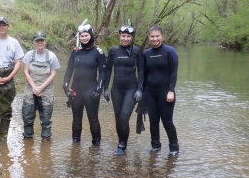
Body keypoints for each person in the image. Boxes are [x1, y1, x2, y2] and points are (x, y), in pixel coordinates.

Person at [104, 24, 144, 155]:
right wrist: (105, 88)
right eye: (123, 36)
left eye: (128, 36)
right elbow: (108, 69)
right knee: (118, 118)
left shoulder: (137, 51)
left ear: (132, 37)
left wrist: (139, 89)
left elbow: (142, 70)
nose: (125, 39)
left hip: (131, 88)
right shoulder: (113, 51)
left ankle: (122, 144)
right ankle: (120, 142)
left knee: (124, 116)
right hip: (116, 89)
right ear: (119, 36)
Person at [63, 24, 106, 145]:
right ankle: (75, 144)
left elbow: (103, 73)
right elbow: (69, 70)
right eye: (82, 36)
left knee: (93, 118)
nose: (84, 38)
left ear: (91, 36)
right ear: (79, 37)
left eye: (86, 35)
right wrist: (65, 86)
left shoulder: (98, 52)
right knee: (76, 118)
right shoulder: (76, 52)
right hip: (76, 90)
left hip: (91, 90)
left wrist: (98, 90)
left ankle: (96, 144)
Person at [143, 25, 179, 157]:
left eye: (157, 36)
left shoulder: (170, 52)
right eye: (152, 36)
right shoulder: (146, 54)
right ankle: (155, 145)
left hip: (166, 92)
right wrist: (142, 92)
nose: (155, 39)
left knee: (167, 121)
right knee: (153, 121)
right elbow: (144, 75)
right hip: (150, 92)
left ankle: (174, 147)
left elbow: (174, 72)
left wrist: (171, 90)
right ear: (149, 38)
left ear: (162, 36)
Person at [22, 31, 60, 140]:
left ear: (45, 41)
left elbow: (53, 74)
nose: (40, 42)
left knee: (46, 119)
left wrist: (41, 88)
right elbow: (25, 72)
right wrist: (34, 87)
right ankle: (28, 138)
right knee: (27, 116)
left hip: (46, 90)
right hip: (31, 88)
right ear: (34, 42)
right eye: (37, 40)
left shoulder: (52, 56)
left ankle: (46, 140)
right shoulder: (29, 55)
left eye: (42, 40)